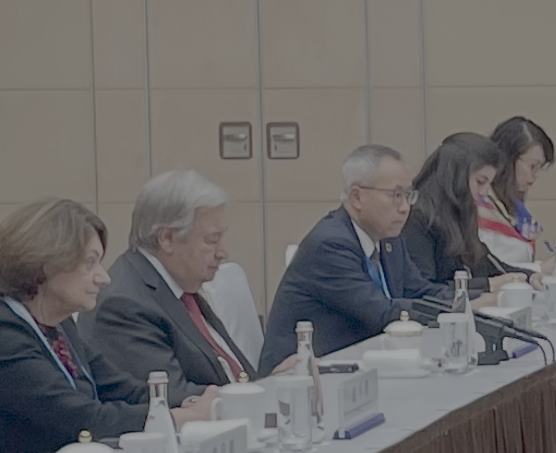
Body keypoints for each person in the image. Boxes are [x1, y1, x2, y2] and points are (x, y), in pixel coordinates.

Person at [0, 197, 216, 453]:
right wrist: (178, 419)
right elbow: (86, 420)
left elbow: (122, 389)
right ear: (46, 264)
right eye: (90, 263)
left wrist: (196, 402)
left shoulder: (58, 323)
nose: (104, 278)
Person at [261, 143, 434, 374]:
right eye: (395, 195)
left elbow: (419, 290)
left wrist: (468, 302)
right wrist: (454, 311)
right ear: (357, 197)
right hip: (299, 376)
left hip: (358, 366)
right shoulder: (330, 245)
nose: (404, 208)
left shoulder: (388, 239)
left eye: (408, 195)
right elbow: (382, 313)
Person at [91, 169, 259, 396]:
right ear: (167, 238)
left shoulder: (180, 286)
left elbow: (234, 373)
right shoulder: (124, 305)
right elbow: (172, 397)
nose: (223, 252)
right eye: (212, 240)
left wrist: (273, 384)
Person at [401, 132, 518, 298]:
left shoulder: (461, 212)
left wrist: (529, 276)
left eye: (489, 184)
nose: (485, 192)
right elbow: (423, 289)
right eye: (480, 182)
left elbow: (488, 265)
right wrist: (486, 285)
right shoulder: (418, 217)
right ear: (457, 176)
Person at [481, 114, 554, 268]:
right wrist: (541, 269)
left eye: (539, 168)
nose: (536, 175)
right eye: (533, 166)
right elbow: (490, 270)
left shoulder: (512, 207)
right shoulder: (480, 209)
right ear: (508, 159)